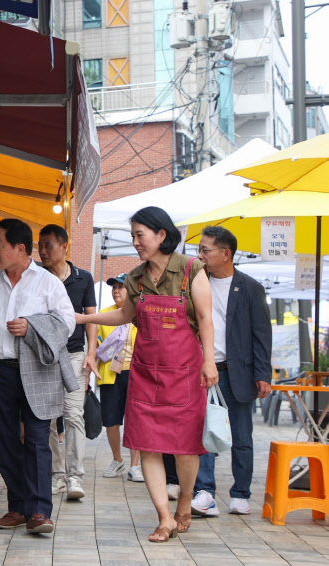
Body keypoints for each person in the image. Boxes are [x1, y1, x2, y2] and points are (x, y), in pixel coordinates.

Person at [82, 206, 218, 543]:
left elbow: (205, 318)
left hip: (186, 373)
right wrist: (85, 319)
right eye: (133, 236)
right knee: (148, 445)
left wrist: (209, 361)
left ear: (161, 234)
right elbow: (126, 315)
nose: (136, 242)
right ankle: (164, 517)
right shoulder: (135, 278)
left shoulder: (191, 269)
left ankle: (185, 499)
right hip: (144, 374)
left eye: (140, 235)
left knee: (186, 448)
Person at [0, 218, 77, 534]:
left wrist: (32, 326)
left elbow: (67, 323)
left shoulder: (47, 282)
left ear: (19, 248)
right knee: (4, 440)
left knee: (38, 438)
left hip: (38, 369)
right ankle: (18, 507)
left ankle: (39, 511)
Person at [191, 225, 272, 517]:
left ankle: (240, 493)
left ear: (225, 254)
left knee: (241, 436)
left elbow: (262, 334)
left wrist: (263, 373)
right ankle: (205, 492)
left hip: (239, 372)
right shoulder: (196, 283)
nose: (200, 255)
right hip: (204, 371)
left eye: (205, 249)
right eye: (199, 249)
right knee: (205, 434)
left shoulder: (251, 288)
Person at [37, 224, 99, 500]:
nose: (42, 250)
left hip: (74, 355)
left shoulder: (83, 279)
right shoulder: (36, 277)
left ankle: (75, 477)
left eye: (48, 245)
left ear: (64, 247)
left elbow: (92, 318)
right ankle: (57, 476)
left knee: (74, 414)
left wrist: (91, 353)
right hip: (44, 357)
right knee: (50, 418)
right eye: (40, 245)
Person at [96, 273, 142, 482]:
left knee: (136, 420)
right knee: (111, 421)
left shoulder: (140, 315)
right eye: (113, 287)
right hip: (110, 374)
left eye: (121, 287)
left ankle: (135, 465)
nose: (116, 291)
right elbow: (96, 345)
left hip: (136, 375)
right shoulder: (103, 315)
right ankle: (117, 459)